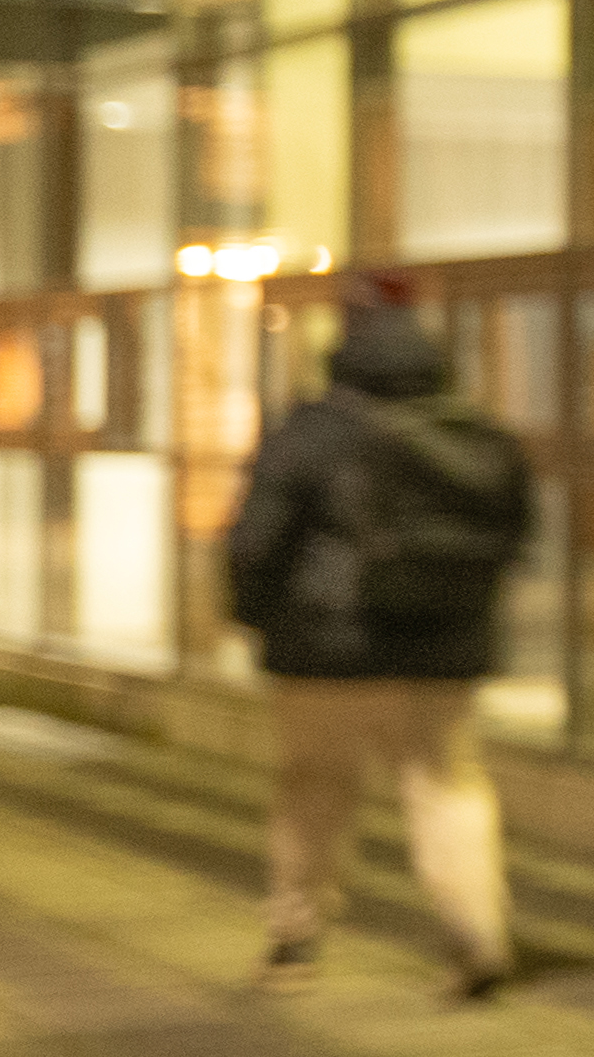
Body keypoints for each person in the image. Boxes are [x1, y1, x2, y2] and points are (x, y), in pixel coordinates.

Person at [223, 293, 536, 997]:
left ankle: (294, 943)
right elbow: (516, 538)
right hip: (441, 651)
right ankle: (478, 940)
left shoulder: (311, 432)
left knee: (314, 789)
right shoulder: (478, 434)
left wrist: (256, 621)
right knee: (447, 788)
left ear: (341, 364)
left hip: (322, 653)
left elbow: (256, 543)